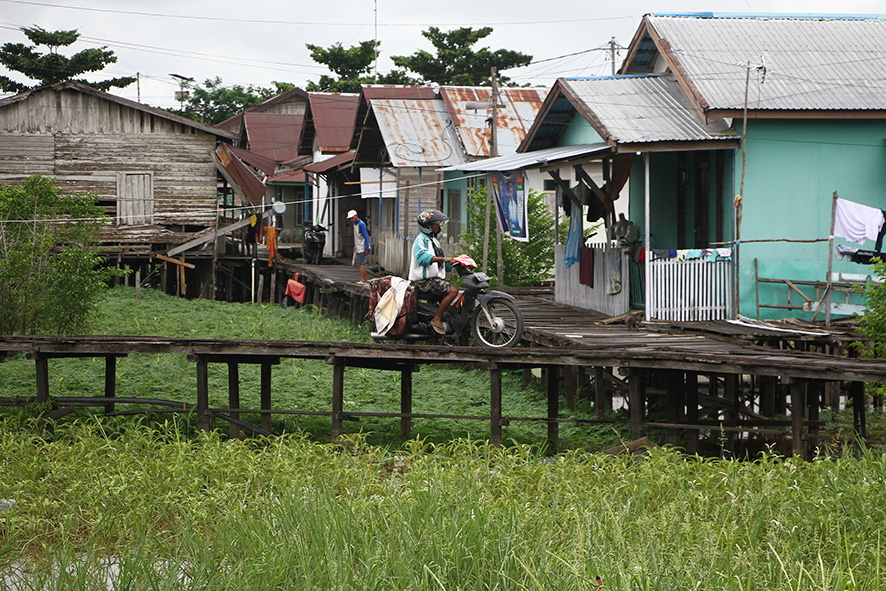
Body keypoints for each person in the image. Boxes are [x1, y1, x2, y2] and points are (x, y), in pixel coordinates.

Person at [409, 210, 459, 335]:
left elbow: (442, 265)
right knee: (454, 291)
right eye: (436, 224)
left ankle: (439, 338)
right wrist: (443, 259)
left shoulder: (435, 242)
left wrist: (455, 262)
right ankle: (436, 319)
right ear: (427, 227)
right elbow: (422, 258)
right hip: (422, 282)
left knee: (449, 308)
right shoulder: (420, 240)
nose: (438, 227)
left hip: (434, 280)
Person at [347, 209, 370, 283]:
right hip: (358, 246)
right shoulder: (355, 224)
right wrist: (355, 246)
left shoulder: (361, 224)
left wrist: (367, 248)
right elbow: (356, 236)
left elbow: (366, 236)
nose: (351, 219)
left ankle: (363, 280)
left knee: (362, 263)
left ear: (356, 216)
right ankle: (362, 279)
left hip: (362, 246)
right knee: (360, 263)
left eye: (352, 218)